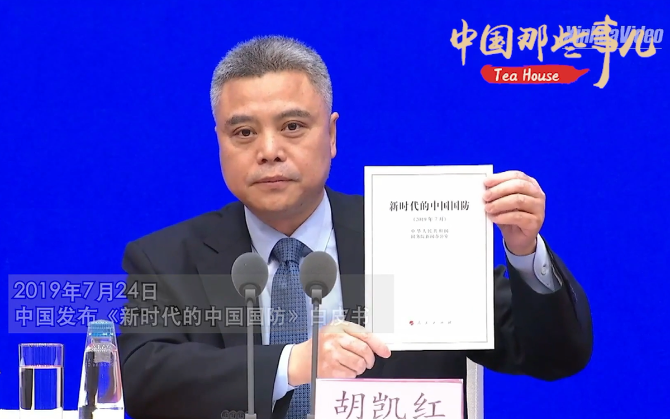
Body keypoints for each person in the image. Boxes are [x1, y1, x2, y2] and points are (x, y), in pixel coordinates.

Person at [117, 35, 593, 419]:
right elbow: (142, 380)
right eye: (243, 132)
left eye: (293, 126)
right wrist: (292, 364)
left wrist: (523, 251)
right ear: (219, 142)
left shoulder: (407, 232)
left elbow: (553, 355)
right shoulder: (166, 258)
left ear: (332, 135)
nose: (269, 151)